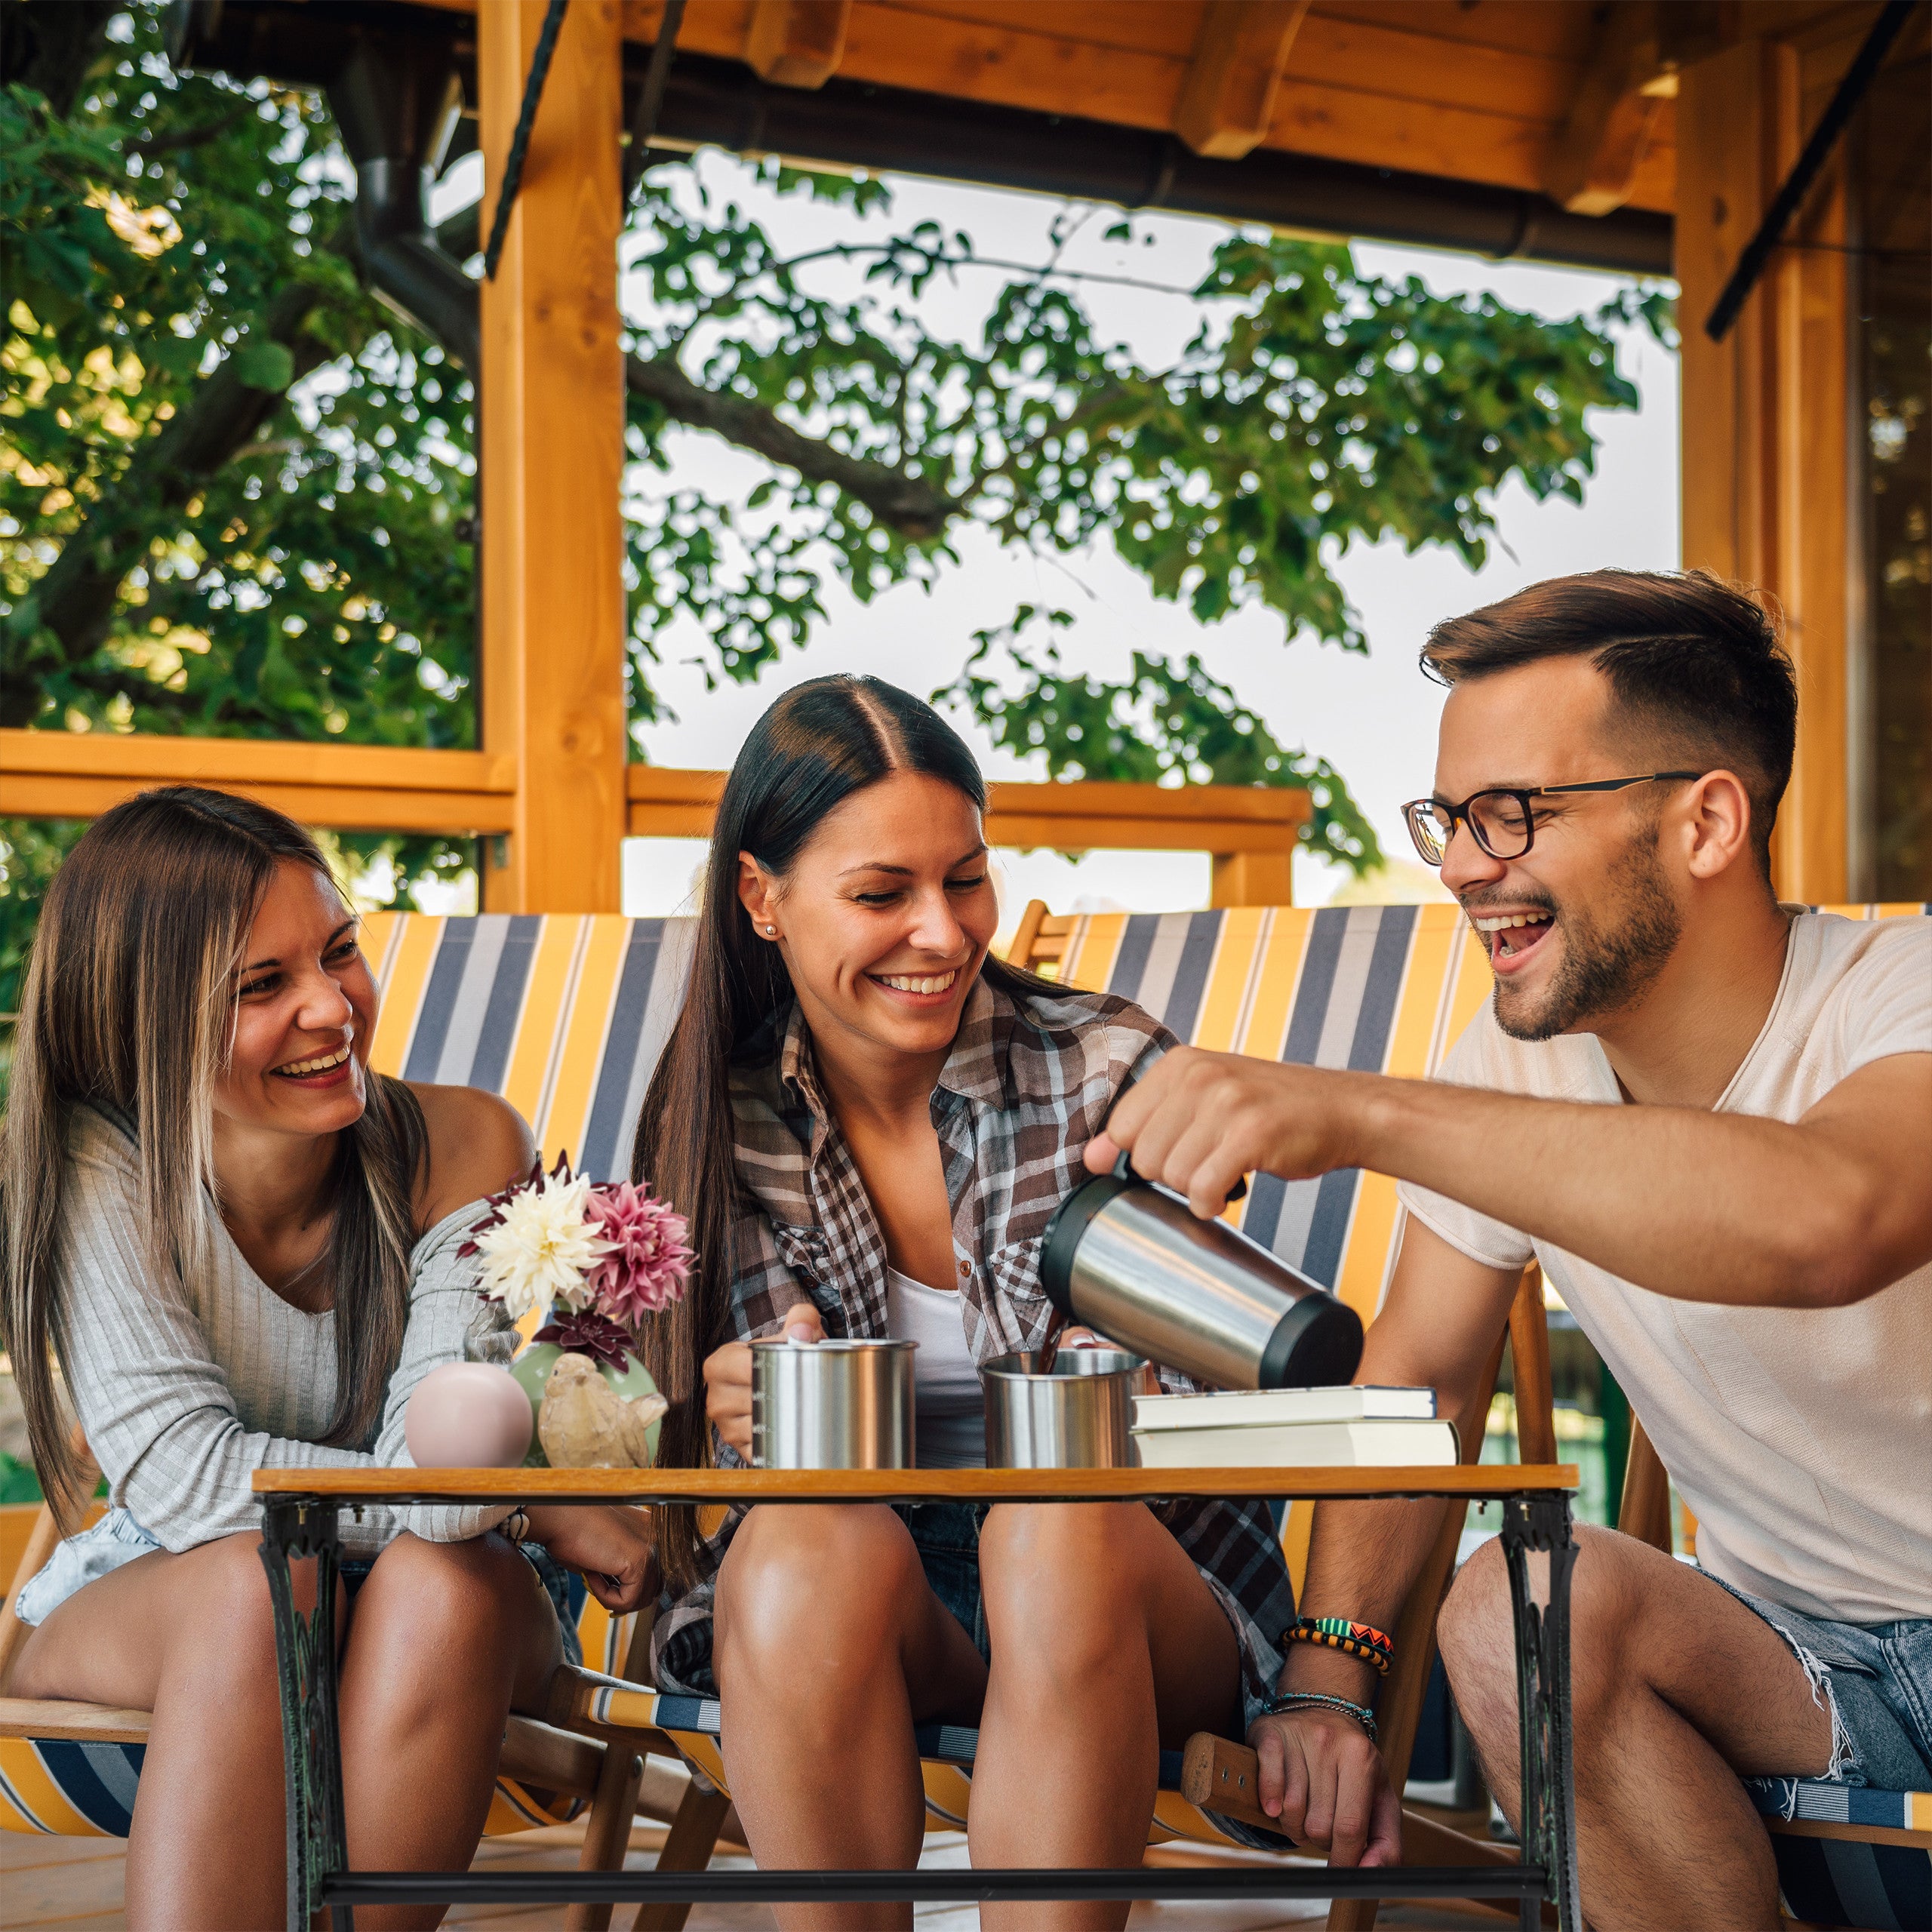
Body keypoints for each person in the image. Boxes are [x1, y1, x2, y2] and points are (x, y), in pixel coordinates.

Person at [1088, 570, 1932, 1932]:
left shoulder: (1902, 994)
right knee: (1518, 1605)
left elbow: (1827, 1217)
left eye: (1513, 815)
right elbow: (1418, 1394)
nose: (1467, 865)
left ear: (1707, 819)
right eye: (1449, 819)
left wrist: (1357, 1109)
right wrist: (1329, 1677)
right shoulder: (1520, 1067)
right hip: (1802, 1672)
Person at [629, 675, 1296, 1930]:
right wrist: (733, 1410)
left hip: (1132, 1582)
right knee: (793, 1543)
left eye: (966, 880)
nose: (942, 933)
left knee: (1051, 1518)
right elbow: (745, 1468)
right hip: (895, 1594)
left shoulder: (1105, 1071)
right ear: (762, 899)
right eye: (883, 895)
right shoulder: (725, 1117)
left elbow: (1191, 1421)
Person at [0, 787, 656, 1932]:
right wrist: (531, 1508)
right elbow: (188, 1484)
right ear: (136, 1019)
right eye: (263, 986)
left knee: (439, 1578)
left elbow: (444, 1481)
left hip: (441, 1633)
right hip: (181, 1604)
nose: (330, 1008)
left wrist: (483, 1507)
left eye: (341, 953)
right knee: (268, 1582)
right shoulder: (92, 1160)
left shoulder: (458, 1144)